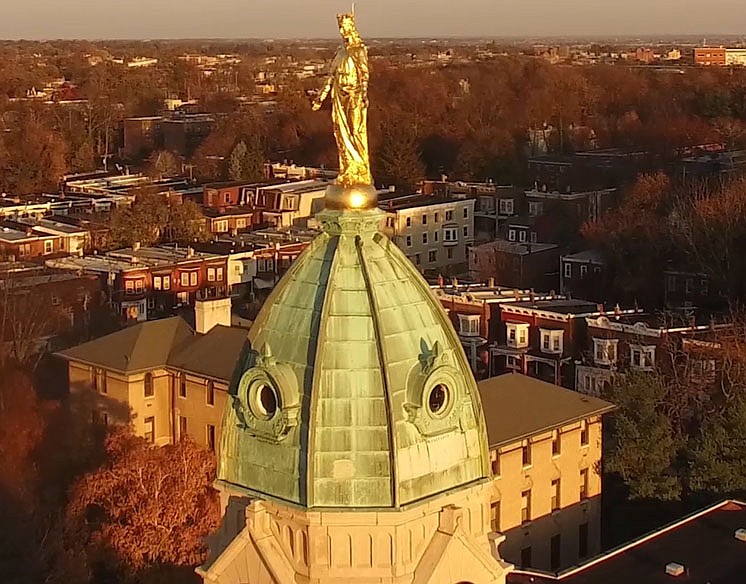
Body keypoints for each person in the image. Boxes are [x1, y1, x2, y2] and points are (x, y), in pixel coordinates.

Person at [312, 12, 372, 187]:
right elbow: (331, 76)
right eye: (340, 27)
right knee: (340, 133)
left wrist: (363, 95)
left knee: (356, 131)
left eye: (345, 26)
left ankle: (360, 171)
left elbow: (364, 74)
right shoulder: (340, 52)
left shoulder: (359, 50)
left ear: (352, 27)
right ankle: (347, 169)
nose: (342, 30)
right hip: (338, 94)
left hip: (354, 94)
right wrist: (320, 97)